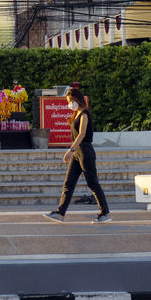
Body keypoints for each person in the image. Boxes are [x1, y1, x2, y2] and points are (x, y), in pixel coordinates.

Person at [44, 84, 111, 223]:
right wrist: (73, 152)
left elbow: (81, 134)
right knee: (68, 184)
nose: (69, 104)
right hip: (77, 153)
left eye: (70, 101)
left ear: (77, 100)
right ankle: (60, 213)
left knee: (93, 184)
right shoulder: (77, 115)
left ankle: (105, 213)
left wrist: (70, 150)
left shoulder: (85, 114)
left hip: (84, 151)